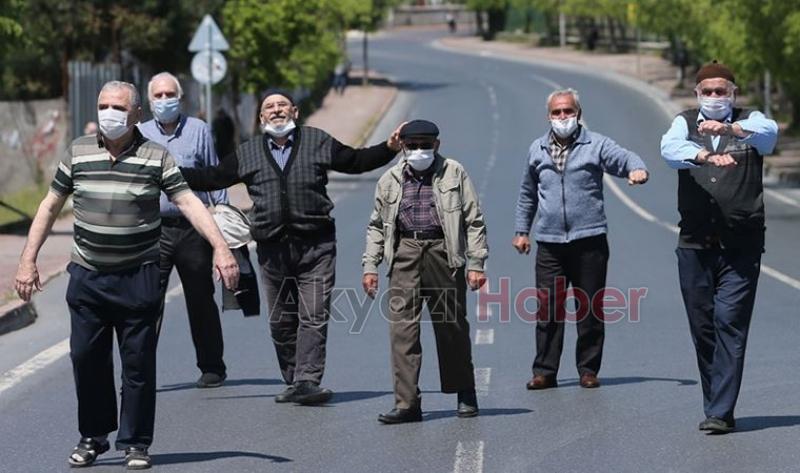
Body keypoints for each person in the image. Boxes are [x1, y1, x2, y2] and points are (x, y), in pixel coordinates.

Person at [14, 81, 238, 470]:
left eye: (117, 106)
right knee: (86, 358)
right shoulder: (79, 151)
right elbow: (51, 206)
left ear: (137, 114)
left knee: (137, 363)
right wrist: (27, 260)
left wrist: (220, 247)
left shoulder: (156, 156)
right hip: (88, 276)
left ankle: (135, 441)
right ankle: (94, 436)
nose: (108, 113)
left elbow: (188, 202)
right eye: (103, 105)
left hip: (139, 275)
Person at [178, 89, 404, 405]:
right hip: (273, 251)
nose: (276, 110)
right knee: (282, 321)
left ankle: (308, 380)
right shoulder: (248, 152)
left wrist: (389, 148)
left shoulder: (317, 141)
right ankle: (294, 378)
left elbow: (356, 160)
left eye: (282, 105)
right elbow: (211, 178)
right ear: (260, 118)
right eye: (269, 106)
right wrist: (164, 172)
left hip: (317, 246)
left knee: (313, 315)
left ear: (295, 112)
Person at [660, 62, 778, 434]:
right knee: (703, 326)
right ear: (697, 94)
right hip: (695, 243)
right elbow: (669, 149)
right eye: (707, 92)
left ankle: (720, 411)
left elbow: (769, 135)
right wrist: (704, 155)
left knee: (730, 322)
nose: (714, 97)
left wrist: (729, 129)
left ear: (733, 93)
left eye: (721, 91)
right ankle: (716, 404)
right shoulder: (684, 123)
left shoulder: (750, 120)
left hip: (741, 245)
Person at [513, 88, 649, 391]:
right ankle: (544, 371)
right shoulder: (537, 149)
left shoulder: (595, 144)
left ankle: (588, 369)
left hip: (589, 241)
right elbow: (527, 194)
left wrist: (637, 168)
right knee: (547, 309)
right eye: (557, 112)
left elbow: (624, 157)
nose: (563, 117)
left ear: (578, 113)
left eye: (568, 111)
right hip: (549, 243)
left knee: (589, 308)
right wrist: (522, 231)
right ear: (548, 116)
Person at [362, 119, 488, 424]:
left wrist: (476, 264)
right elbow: (377, 225)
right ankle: (407, 403)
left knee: (451, 326)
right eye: (413, 146)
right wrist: (370, 266)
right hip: (405, 253)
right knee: (402, 332)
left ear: (437, 145)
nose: (419, 150)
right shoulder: (390, 179)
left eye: (425, 145)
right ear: (403, 147)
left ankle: (464, 391)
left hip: (443, 253)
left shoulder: (454, 172)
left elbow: (474, 221)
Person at [138, 72, 230, 389]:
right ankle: (139, 371)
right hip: (153, 231)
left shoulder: (198, 130)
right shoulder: (138, 133)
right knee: (147, 302)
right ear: (149, 102)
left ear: (181, 97)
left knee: (201, 299)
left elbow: (213, 174)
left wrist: (224, 226)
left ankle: (212, 366)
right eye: (158, 96)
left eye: (169, 94)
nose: (164, 101)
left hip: (193, 229)